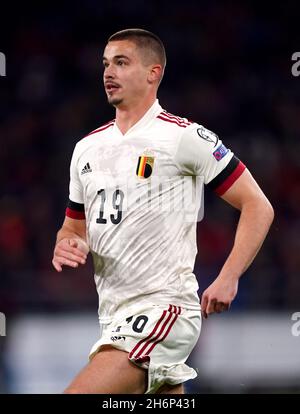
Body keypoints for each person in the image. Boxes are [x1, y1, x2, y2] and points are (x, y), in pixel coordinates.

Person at [52, 28, 274, 394]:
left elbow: (257, 205)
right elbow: (73, 229)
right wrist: (67, 242)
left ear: (153, 73)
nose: (108, 73)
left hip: (164, 310)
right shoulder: (86, 149)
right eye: (106, 64)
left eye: (121, 63)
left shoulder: (184, 137)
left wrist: (229, 276)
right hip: (113, 316)